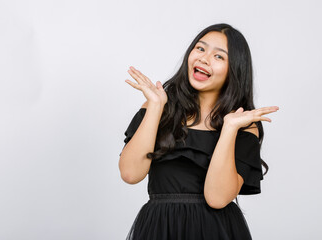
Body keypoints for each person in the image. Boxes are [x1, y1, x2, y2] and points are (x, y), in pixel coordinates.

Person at [118, 23, 279, 240]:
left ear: (235, 69)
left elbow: (217, 198)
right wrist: (156, 106)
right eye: (200, 49)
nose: (204, 58)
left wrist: (229, 129)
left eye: (219, 56)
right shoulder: (157, 108)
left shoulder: (242, 124)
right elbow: (130, 173)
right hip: (160, 228)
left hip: (215, 230)